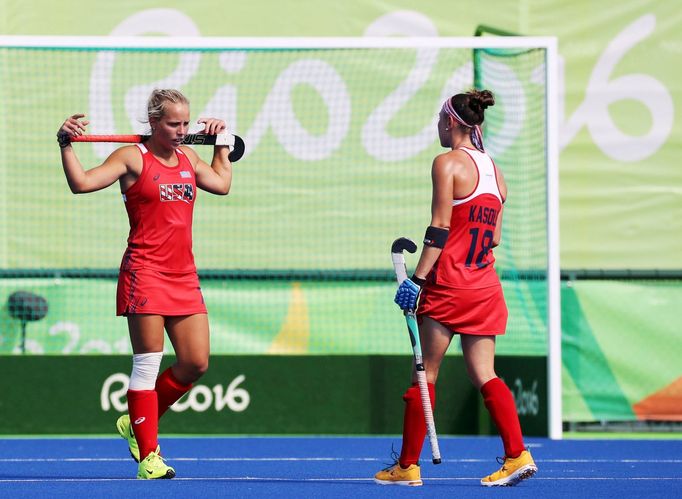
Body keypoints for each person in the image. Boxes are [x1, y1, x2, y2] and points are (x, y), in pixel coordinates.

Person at [57, 89, 233, 480]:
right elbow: (81, 183)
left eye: (186, 123)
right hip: (145, 272)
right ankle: (148, 456)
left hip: (184, 275)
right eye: (173, 124)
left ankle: (134, 423)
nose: (182, 131)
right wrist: (66, 145)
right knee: (147, 364)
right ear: (153, 123)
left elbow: (221, 185)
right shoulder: (131, 157)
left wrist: (221, 146)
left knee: (195, 363)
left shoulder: (189, 156)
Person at [374, 89, 537, 487]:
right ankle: (517, 454)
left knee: (425, 373)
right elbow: (494, 238)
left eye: (438, 120)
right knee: (485, 372)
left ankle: (408, 466)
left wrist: (417, 280)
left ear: (450, 122)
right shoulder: (496, 172)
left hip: (449, 285)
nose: (437, 127)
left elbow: (440, 227)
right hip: (484, 286)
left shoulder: (446, 164)